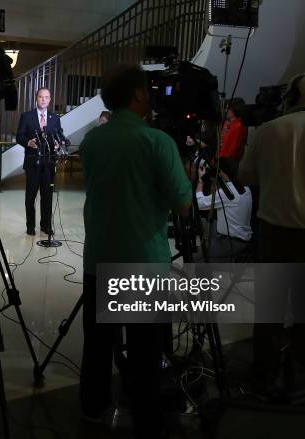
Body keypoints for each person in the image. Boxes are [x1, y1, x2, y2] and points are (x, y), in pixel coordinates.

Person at [79, 64, 192, 438]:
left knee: (97, 347)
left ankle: (91, 412)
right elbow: (183, 203)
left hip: (99, 257)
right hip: (143, 263)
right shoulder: (157, 141)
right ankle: (146, 421)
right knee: (145, 355)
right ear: (140, 95)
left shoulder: (92, 141)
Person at [239, 72, 305, 398]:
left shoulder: (270, 130)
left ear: (292, 96)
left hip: (274, 233)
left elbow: (246, 175)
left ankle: (263, 378)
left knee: (270, 310)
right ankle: (299, 383)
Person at [16, 87, 64, 236]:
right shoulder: (26, 116)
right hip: (32, 163)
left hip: (49, 164)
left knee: (47, 196)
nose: (43, 100)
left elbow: (60, 136)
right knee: (30, 196)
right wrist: (27, 143)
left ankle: (46, 225)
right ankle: (30, 226)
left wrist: (58, 143)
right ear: (36, 99)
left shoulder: (55, 118)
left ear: (49, 100)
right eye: (41, 97)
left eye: (46, 97)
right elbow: (19, 136)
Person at [196, 157, 253, 262]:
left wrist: (200, 181)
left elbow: (200, 203)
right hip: (242, 239)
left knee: (196, 255)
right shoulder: (246, 188)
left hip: (231, 243)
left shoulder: (227, 193)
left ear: (223, 173)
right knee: (205, 224)